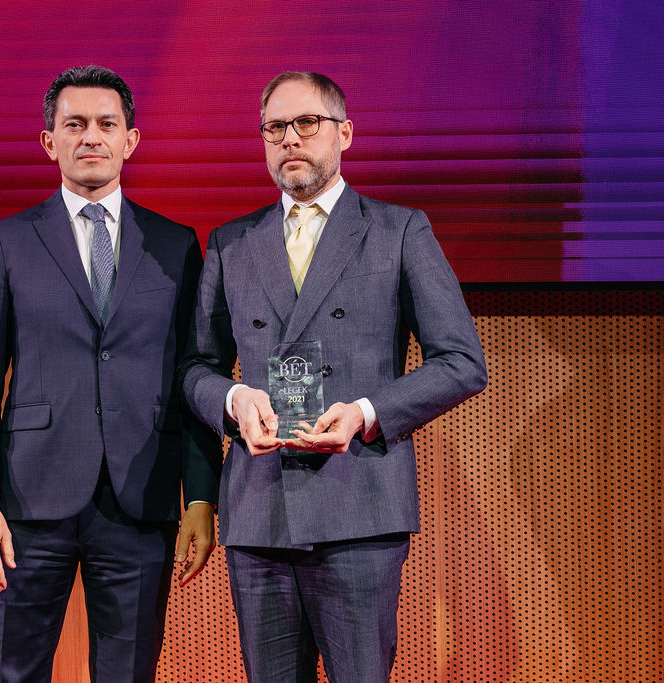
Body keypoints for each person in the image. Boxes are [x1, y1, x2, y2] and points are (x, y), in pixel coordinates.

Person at [181, 71, 487, 682]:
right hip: (260, 511)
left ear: (344, 133)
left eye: (306, 123)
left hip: (359, 507)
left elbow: (461, 361)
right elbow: (196, 367)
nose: (289, 139)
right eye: (275, 128)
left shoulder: (399, 230)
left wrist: (366, 413)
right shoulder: (232, 242)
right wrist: (235, 398)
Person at [0, 65, 220, 683]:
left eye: (107, 124)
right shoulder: (7, 241)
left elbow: (194, 376)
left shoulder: (176, 244)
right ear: (50, 142)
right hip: (27, 503)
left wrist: (201, 495)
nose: (91, 137)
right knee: (10, 673)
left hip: (141, 500)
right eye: (75, 125)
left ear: (131, 139)